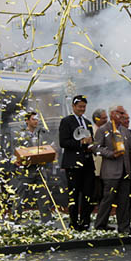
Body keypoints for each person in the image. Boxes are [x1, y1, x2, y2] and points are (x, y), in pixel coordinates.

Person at [94, 105, 131, 236]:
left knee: (124, 200)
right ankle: (100, 225)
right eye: (120, 113)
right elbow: (96, 148)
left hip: (126, 171)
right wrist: (112, 154)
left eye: (124, 113)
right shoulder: (103, 130)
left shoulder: (125, 131)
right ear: (112, 114)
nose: (123, 115)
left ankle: (124, 227)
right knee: (108, 199)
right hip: (111, 171)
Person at [58, 95, 96, 231]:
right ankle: (74, 222)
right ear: (73, 107)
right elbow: (63, 142)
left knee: (88, 194)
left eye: (84, 107)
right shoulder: (66, 121)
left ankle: (85, 221)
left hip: (87, 163)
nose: (82, 109)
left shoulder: (87, 121)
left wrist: (92, 145)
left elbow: (91, 140)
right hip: (73, 164)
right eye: (79, 106)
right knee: (74, 194)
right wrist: (80, 142)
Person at [9, 112, 54, 223]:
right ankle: (16, 218)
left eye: (37, 119)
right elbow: (14, 150)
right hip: (26, 170)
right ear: (27, 121)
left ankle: (46, 220)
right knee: (20, 194)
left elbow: (48, 147)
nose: (36, 121)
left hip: (40, 168)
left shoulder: (42, 133)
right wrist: (16, 160)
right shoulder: (20, 135)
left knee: (43, 195)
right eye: (33, 119)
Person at [91, 108, 108, 208]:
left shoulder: (108, 130)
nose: (106, 120)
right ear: (97, 119)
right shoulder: (92, 131)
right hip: (97, 166)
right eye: (104, 118)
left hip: (107, 167)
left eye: (107, 117)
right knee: (98, 191)